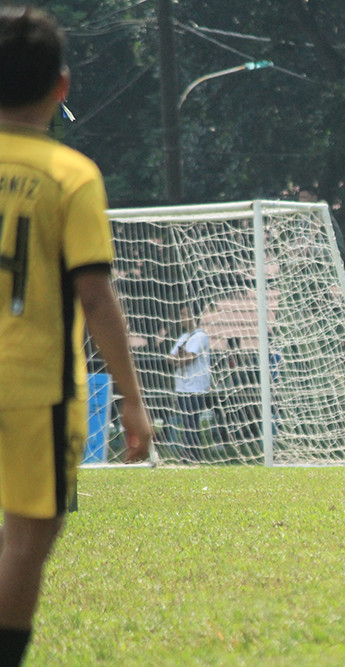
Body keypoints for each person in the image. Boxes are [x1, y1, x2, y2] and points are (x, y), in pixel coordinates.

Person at [0, 8, 152, 664]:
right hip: (36, 386)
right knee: (26, 537)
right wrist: (132, 396)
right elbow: (95, 294)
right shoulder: (71, 175)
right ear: (61, 86)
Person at [170, 305, 211, 462]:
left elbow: (189, 358)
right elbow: (171, 357)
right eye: (181, 314)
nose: (182, 318)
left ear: (194, 317)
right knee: (186, 422)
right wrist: (180, 358)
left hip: (195, 387)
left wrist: (180, 358)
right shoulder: (184, 337)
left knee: (191, 422)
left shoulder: (200, 336)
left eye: (184, 314)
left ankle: (193, 456)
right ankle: (188, 454)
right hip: (182, 386)